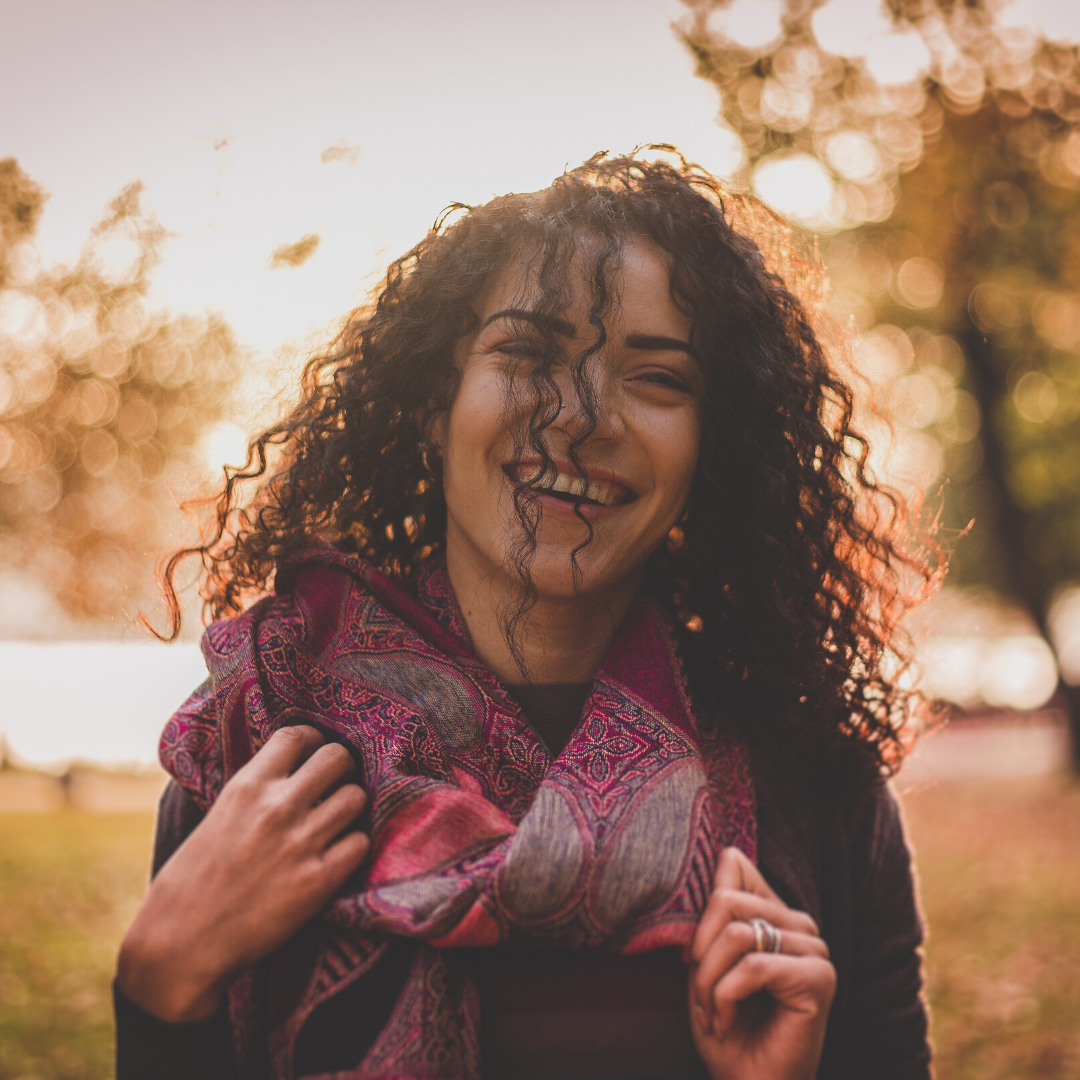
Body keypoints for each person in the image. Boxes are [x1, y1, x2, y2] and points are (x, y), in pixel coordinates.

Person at [114, 150, 937, 1080]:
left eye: (656, 378)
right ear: (437, 404)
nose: (580, 419)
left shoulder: (818, 788)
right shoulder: (265, 743)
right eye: (528, 354)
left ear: (715, 443)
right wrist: (157, 987)